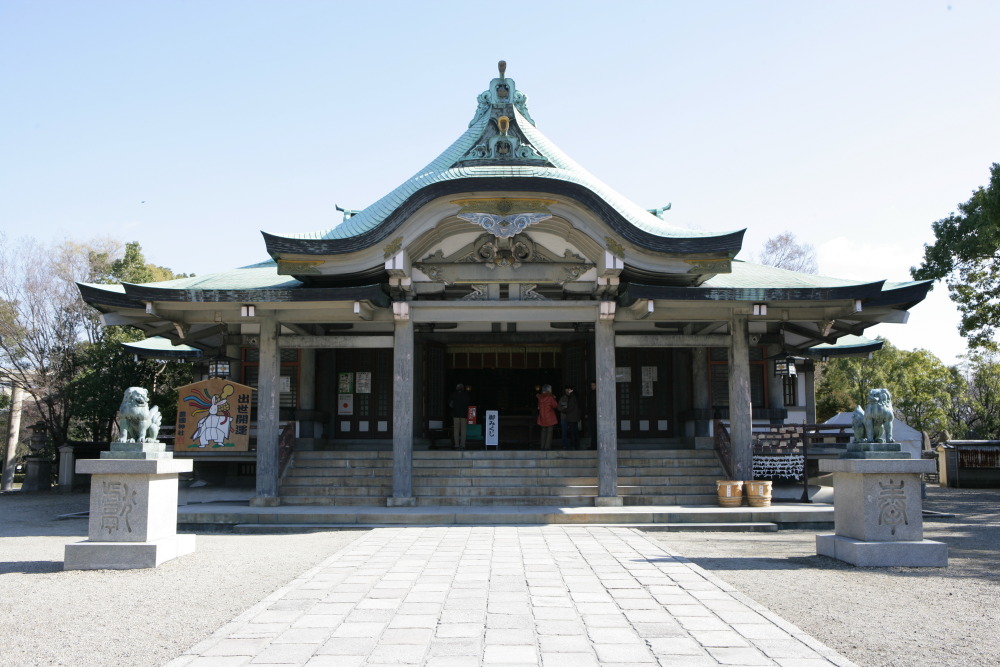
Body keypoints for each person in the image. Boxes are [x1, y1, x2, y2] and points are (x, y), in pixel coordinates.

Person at [558, 385, 581, 449]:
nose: (567, 391)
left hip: (570, 417)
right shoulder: (564, 398)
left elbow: (569, 407)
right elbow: (561, 408)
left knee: (572, 431)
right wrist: (564, 410)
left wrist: (565, 410)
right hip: (565, 417)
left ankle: (572, 444)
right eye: (566, 390)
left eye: (568, 390)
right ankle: (566, 445)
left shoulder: (573, 397)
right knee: (566, 432)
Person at [535, 384, 558, 450]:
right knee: (549, 433)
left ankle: (542, 446)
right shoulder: (550, 397)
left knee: (543, 432)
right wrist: (554, 398)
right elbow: (555, 405)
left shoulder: (540, 397)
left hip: (542, 417)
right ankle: (547, 447)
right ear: (549, 390)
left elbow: (538, 407)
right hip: (550, 417)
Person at [449, 383, 470, 449]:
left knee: (456, 430)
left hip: (456, 414)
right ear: (463, 388)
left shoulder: (453, 394)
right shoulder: (466, 395)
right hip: (464, 415)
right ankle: (463, 445)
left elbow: (450, 405)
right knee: (463, 430)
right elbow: (468, 404)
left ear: (457, 388)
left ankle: (456, 445)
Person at [585, 380, 597, 449]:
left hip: (595, 415)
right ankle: (593, 445)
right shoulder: (591, 393)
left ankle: (595, 445)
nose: (592, 386)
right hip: (592, 415)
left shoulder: (597, 393)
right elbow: (589, 405)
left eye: (593, 385)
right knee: (593, 431)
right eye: (591, 385)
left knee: (595, 431)